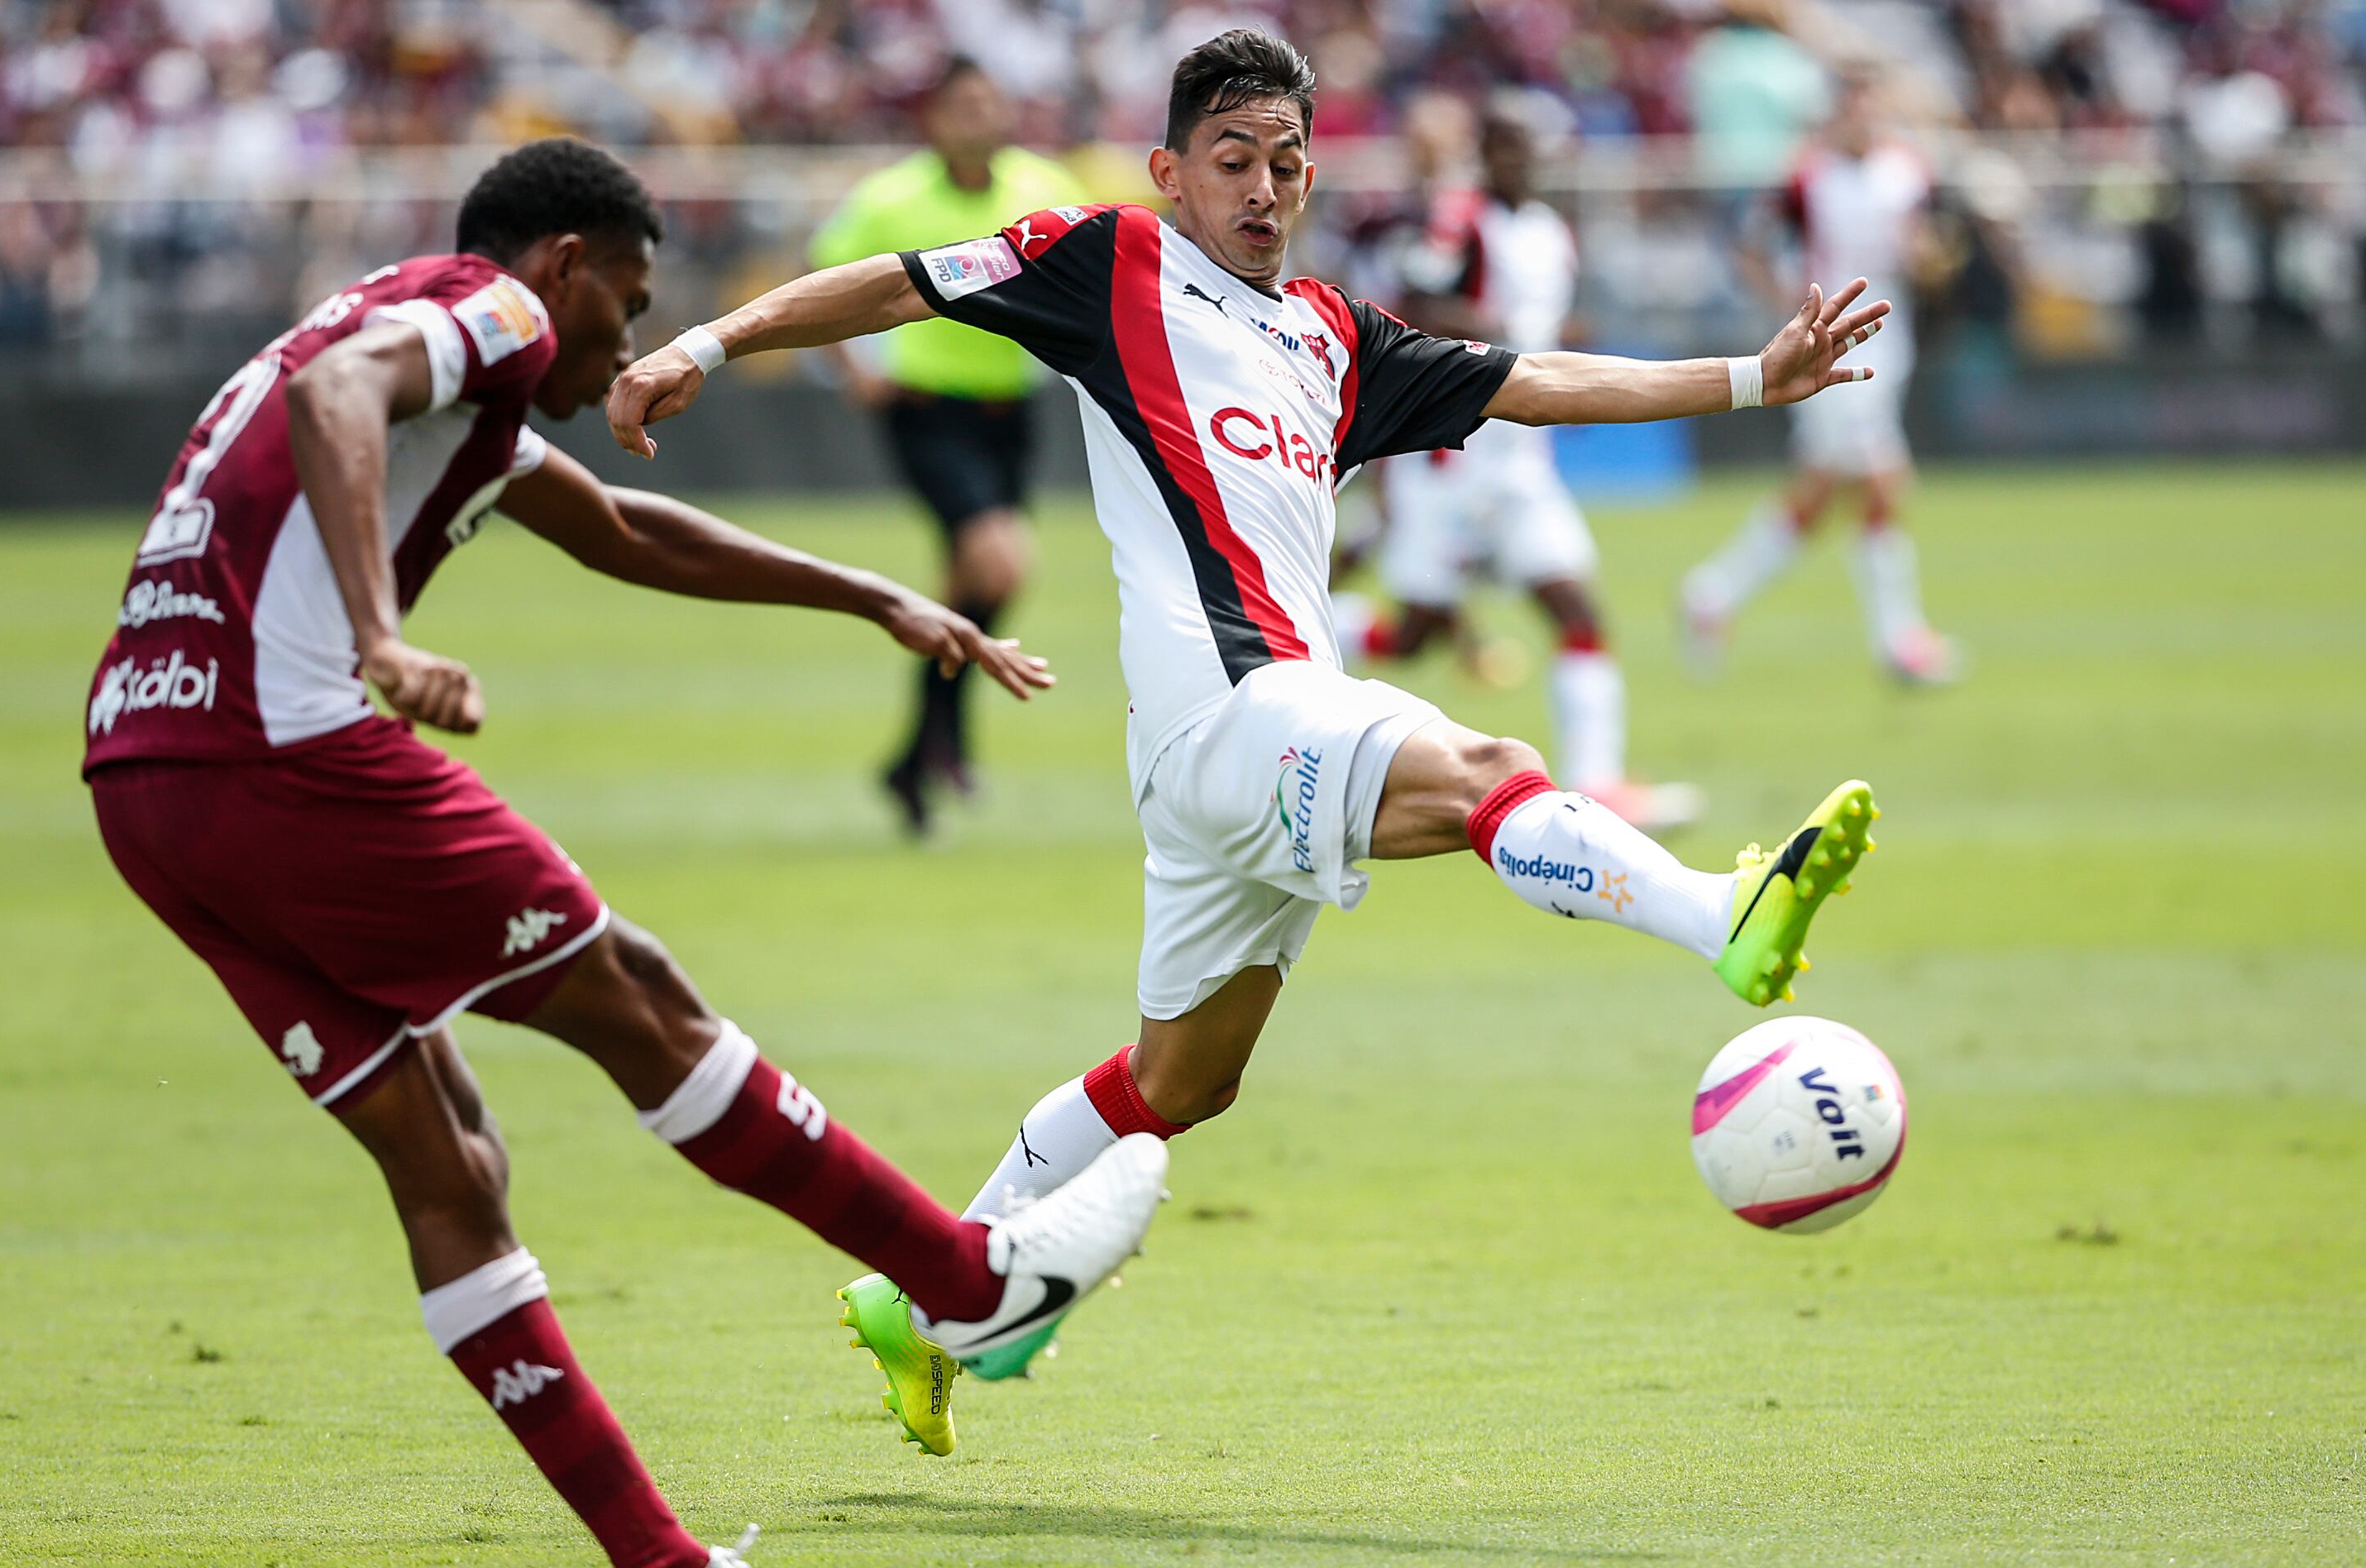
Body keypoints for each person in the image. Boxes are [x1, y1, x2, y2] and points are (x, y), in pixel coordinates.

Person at [608, 31, 1887, 1454]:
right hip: (1230, 713)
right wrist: (704, 342)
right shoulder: (1104, 261)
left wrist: (1750, 378)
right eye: (1231, 161)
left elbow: (1533, 378)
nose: (1263, 188)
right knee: (1483, 770)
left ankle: (922, 1297)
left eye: (1286, 162)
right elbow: (898, 283)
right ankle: (1718, 914)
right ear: (1169, 171)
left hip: (1235, 743)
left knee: (1180, 1082)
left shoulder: (1337, 336)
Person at [81, 138, 1169, 1568]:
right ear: (565, 265)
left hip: (146, 784)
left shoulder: (410, 349)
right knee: (633, 990)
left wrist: (874, 597)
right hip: (285, 752)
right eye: (632, 305)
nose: (624, 347)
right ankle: (964, 1283)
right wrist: (382, 637)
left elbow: (620, 528)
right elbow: (340, 403)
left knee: (449, 1161)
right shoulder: (491, 310)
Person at [1346, 93, 1703, 832]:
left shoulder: (1548, 232)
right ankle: (1317, 625)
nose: (1520, 160)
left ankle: (1597, 785)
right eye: (1506, 145)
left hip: (1520, 466)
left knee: (1577, 610)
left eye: (1528, 147)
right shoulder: (1458, 218)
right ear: (1486, 152)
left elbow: (1539, 326)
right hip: (1449, 464)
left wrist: (1561, 339)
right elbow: (1414, 306)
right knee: (1413, 636)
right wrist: (1504, 335)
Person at [806, 56, 1088, 833]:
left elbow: (1090, 272)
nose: (977, 117)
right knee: (1000, 563)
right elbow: (821, 268)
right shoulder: (890, 196)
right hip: (927, 409)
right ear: (932, 118)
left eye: (988, 103)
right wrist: (852, 368)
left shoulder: (1042, 186)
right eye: (961, 104)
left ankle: (914, 758)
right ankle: (944, 741)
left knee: (971, 582)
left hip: (1009, 410)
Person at [1680, 66, 1960, 685]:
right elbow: (1750, 244)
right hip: (1832, 346)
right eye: (1851, 104)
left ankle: (1712, 594)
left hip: (1892, 339)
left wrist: (1929, 259)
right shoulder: (1806, 176)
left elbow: (1921, 246)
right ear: (1836, 110)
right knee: (1882, 481)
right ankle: (1899, 641)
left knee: (1821, 493)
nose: (1862, 116)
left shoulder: (1907, 169)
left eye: (1870, 103)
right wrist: (1789, 307)